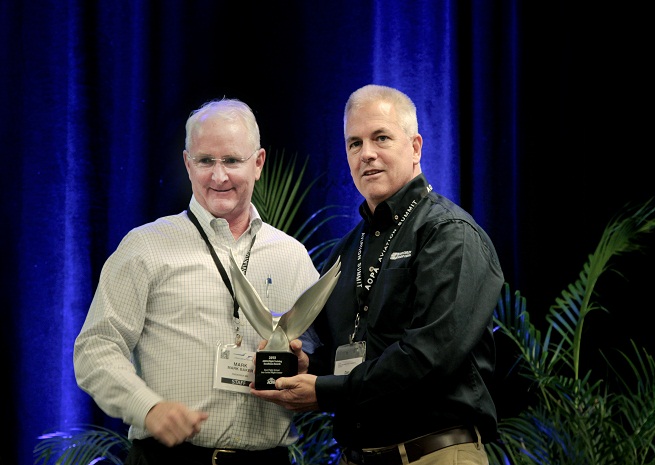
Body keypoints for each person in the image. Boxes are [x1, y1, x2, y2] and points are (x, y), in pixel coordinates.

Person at [251, 84, 505, 465]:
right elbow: (344, 354)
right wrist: (308, 368)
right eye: (354, 143)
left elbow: (429, 358)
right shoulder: (347, 249)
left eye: (380, 137)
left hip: (434, 453)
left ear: (416, 147)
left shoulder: (449, 233)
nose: (366, 154)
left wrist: (325, 391)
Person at [73, 98, 320, 465]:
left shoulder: (293, 255)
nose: (218, 176)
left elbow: (316, 356)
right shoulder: (145, 246)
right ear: (188, 164)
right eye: (206, 161)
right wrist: (149, 408)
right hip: (169, 458)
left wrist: (304, 367)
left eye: (232, 161)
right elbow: (95, 348)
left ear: (258, 163)